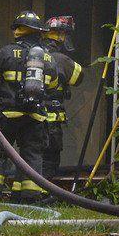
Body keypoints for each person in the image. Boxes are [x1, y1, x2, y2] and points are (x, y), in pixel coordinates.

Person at [0, 11, 58, 203]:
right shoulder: (48, 59)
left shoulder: (7, 52)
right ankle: (30, 197)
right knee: (32, 154)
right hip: (36, 116)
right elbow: (53, 86)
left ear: (20, 30)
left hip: (7, 113)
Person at [42, 16, 84, 179]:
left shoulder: (32, 55)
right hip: (52, 120)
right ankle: (44, 193)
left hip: (30, 119)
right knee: (50, 159)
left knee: (31, 156)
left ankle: (26, 193)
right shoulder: (61, 59)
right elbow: (79, 78)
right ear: (60, 36)